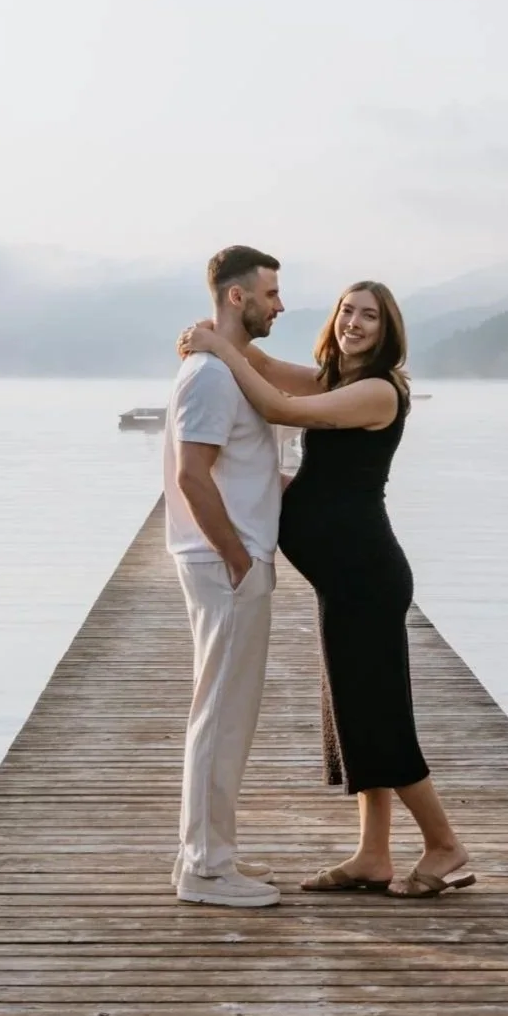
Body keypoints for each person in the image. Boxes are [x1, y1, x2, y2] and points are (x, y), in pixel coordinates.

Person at [180, 281, 473, 899]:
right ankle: (372, 856)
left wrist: (220, 350)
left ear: (388, 329)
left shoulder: (375, 391)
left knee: (382, 718)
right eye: (347, 311)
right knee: (353, 714)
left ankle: (445, 846)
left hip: (366, 576)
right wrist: (210, 339)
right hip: (341, 579)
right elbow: (262, 366)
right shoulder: (338, 378)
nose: (354, 323)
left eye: (369, 316)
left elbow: (280, 407)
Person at [164, 245, 288, 909]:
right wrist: (239, 558)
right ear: (236, 298)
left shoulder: (220, 369)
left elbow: (230, 466)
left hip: (221, 559)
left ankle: (202, 853)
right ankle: (208, 868)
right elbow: (191, 475)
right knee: (221, 717)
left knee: (219, 714)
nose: (280, 304)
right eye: (271, 292)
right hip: (224, 564)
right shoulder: (212, 375)